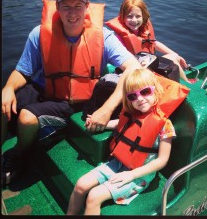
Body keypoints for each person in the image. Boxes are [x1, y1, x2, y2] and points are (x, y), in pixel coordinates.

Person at [1, 0, 140, 186]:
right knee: (3, 104)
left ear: (87, 7)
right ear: (56, 8)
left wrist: (106, 108)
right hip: (45, 88)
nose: (72, 13)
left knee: (26, 118)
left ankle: (18, 154)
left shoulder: (103, 37)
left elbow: (134, 69)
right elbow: (23, 70)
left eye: (77, 6)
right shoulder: (39, 34)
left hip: (75, 100)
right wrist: (8, 88)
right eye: (66, 6)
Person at [66, 68, 177, 215]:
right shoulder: (132, 115)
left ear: (155, 90)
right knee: (80, 185)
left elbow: (162, 160)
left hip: (140, 175)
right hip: (118, 163)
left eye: (145, 92)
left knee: (94, 196)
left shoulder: (165, 124)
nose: (140, 99)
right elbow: (118, 124)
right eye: (133, 96)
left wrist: (131, 175)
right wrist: (98, 123)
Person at [105, 0, 198, 84]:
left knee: (175, 57)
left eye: (138, 16)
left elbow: (154, 43)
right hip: (135, 72)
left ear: (143, 16)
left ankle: (183, 81)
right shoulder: (118, 38)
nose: (134, 20)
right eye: (130, 16)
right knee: (173, 58)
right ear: (122, 17)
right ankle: (187, 84)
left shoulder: (140, 30)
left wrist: (178, 55)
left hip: (146, 64)